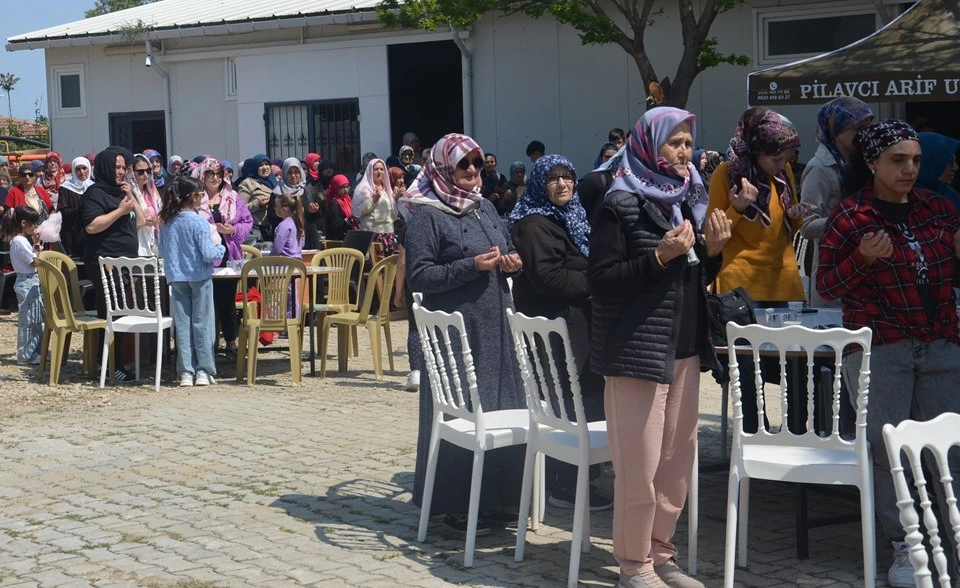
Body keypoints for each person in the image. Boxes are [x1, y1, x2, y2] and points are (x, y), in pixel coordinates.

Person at [589, 107, 730, 588]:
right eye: (675, 143)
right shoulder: (619, 204)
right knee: (640, 468)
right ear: (649, 145)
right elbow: (602, 282)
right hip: (637, 353)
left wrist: (711, 253)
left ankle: (661, 552)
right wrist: (657, 256)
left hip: (686, 348)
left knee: (676, 465)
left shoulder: (690, 199)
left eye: (689, 144)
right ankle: (633, 564)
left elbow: (692, 282)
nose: (684, 153)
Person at [816, 120, 960, 588]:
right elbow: (827, 288)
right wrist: (862, 259)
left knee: (947, 451)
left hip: (939, 342)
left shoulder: (937, 206)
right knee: (888, 453)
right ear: (873, 162)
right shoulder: (850, 216)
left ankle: (952, 542)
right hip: (881, 348)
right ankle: (905, 546)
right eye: (898, 160)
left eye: (916, 160)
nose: (910, 169)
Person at [402, 132, 525, 534]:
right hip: (456, 337)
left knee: (501, 408)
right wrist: (471, 266)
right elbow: (419, 277)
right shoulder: (427, 215)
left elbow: (502, 246)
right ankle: (456, 504)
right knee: (464, 415)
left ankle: (498, 499)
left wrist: (510, 261)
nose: (473, 170)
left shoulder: (484, 207)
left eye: (476, 162)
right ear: (442, 169)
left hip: (496, 329)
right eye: (463, 164)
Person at [508, 153, 611, 512]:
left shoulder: (572, 218)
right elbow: (548, 277)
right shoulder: (534, 224)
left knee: (591, 394)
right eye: (553, 179)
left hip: (579, 325)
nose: (563, 184)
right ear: (540, 185)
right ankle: (567, 484)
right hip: (558, 332)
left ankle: (587, 472)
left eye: (568, 177)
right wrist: (597, 280)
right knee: (575, 400)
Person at [707, 106, 808, 434]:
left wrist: (796, 215)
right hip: (742, 292)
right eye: (777, 159)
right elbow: (713, 235)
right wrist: (737, 208)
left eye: (787, 158)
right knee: (749, 375)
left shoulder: (783, 174)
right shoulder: (727, 173)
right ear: (757, 150)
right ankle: (753, 440)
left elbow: (785, 230)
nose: (784, 165)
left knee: (796, 370)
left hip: (784, 285)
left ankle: (796, 437)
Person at [799, 97, 875, 308]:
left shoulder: (859, 163)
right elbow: (806, 225)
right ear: (837, 130)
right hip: (832, 268)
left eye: (867, 128)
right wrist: (850, 221)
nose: (864, 135)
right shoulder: (820, 168)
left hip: (864, 266)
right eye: (857, 128)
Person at [80, 147, 143, 383]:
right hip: (104, 263)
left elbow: (142, 221)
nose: (121, 172)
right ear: (106, 167)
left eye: (124, 167)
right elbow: (92, 226)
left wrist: (131, 199)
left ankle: (108, 361)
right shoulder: (95, 194)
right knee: (112, 313)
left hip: (123, 264)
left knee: (116, 312)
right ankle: (109, 365)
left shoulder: (121, 193)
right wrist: (120, 211)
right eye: (117, 167)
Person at [158, 175, 226, 387]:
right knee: (202, 324)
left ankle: (186, 370)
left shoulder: (168, 222)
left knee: (183, 325)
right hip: (199, 276)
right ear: (194, 197)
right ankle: (203, 370)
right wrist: (221, 247)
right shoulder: (199, 222)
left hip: (177, 277)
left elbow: (161, 250)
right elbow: (208, 253)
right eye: (200, 194)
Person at [193, 157, 253, 358]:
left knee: (226, 300)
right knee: (204, 301)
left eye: (219, 174)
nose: (215, 178)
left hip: (228, 255)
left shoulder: (233, 197)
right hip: (203, 256)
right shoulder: (194, 198)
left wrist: (232, 230)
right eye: (211, 174)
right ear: (203, 175)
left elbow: (247, 221)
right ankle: (206, 344)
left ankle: (230, 341)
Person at [1, 205, 44, 364]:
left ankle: (34, 351)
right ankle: (27, 354)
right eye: (33, 223)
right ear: (24, 223)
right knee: (30, 320)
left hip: (28, 280)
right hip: (27, 281)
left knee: (34, 318)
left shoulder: (17, 241)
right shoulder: (20, 241)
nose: (35, 227)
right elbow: (35, 261)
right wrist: (38, 244)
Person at [274, 158, 324, 250]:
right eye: (289, 172)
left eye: (296, 172)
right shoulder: (277, 192)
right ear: (284, 173)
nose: (293, 175)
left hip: (308, 234)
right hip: (286, 235)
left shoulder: (309, 190)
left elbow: (319, 218)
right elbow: (272, 216)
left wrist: (313, 211)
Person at [352, 158, 398, 255]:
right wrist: (374, 199)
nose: (379, 172)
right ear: (370, 171)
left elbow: (392, 211)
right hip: (372, 234)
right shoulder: (363, 189)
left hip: (388, 233)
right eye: (376, 169)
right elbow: (357, 211)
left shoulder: (386, 189)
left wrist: (396, 198)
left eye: (382, 169)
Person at [57, 156, 94, 258]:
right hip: (72, 234)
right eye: (78, 169)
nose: (82, 172)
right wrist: (80, 210)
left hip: (91, 234)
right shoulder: (66, 188)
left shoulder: (94, 187)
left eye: (84, 168)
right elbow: (63, 211)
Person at [236, 154, 277, 243]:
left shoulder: (276, 183)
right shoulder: (247, 183)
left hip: (272, 227)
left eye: (267, 164)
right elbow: (240, 209)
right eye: (261, 165)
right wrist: (257, 204)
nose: (265, 167)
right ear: (255, 167)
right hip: (255, 229)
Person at [916, 132, 960, 212]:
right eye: (949, 161)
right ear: (928, 161)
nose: (955, 168)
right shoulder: (905, 203)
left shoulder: (950, 195)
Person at [131, 154, 161, 257]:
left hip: (154, 240)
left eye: (148, 171)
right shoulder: (127, 194)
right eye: (140, 172)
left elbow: (161, 212)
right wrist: (143, 223)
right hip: (137, 243)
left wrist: (157, 219)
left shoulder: (152, 192)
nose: (145, 175)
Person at [325, 174, 357, 241]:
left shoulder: (347, 199)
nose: (346, 190)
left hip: (347, 236)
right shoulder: (334, 203)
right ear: (336, 187)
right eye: (342, 187)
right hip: (337, 239)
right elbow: (335, 224)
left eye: (347, 187)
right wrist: (348, 220)